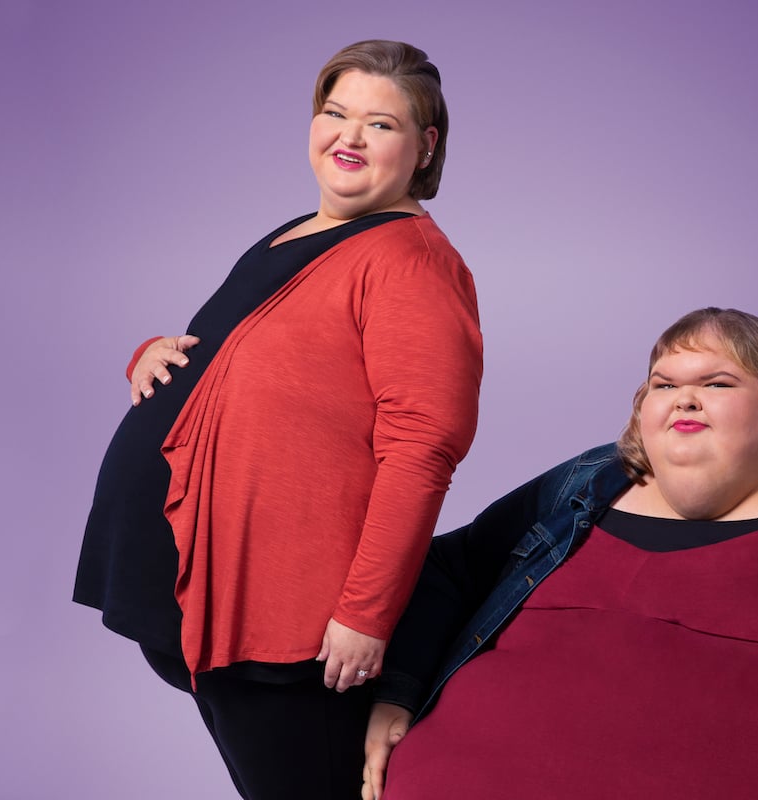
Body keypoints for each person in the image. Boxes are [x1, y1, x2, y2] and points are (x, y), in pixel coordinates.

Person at [363, 308, 758, 800]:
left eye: (718, 383)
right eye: (662, 382)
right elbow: (450, 568)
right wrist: (397, 694)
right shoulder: (585, 484)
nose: (683, 396)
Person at [73, 40, 483, 800]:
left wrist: (365, 614)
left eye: (381, 124)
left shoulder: (412, 261)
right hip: (199, 596)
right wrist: (151, 357)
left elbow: (423, 449)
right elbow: (242, 356)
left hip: (294, 626)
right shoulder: (296, 231)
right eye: (335, 112)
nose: (349, 137)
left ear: (425, 146)